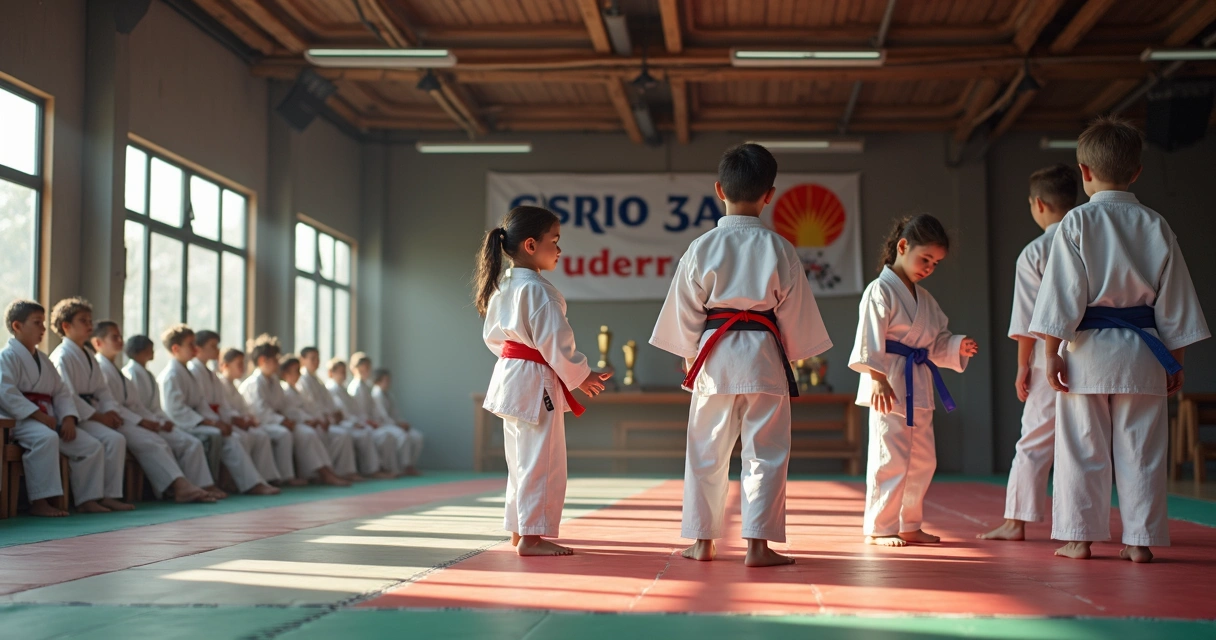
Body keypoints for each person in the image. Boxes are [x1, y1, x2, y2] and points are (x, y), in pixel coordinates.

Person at [1029, 116, 1209, 563]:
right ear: (1137, 172)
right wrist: (1176, 360)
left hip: (1087, 355)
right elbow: (1176, 304)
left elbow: (1061, 294)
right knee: (1143, 450)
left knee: (1081, 448)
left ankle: (1079, 538)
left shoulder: (1076, 223)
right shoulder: (1155, 225)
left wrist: (1050, 352)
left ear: (1084, 173)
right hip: (1144, 354)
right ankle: (1139, 541)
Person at [651, 143, 831, 567]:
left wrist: (688, 352)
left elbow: (685, 309)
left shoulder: (701, 247)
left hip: (714, 356)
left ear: (719, 189)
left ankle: (702, 542)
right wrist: (795, 353)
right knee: (766, 452)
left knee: (705, 450)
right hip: (764, 357)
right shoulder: (781, 248)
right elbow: (795, 314)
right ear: (770, 194)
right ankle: (758, 546)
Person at [475, 205, 610, 556]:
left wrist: (526, 361)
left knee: (520, 461)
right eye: (555, 240)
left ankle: (520, 531)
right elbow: (556, 346)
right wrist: (582, 375)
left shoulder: (503, 286)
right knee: (542, 461)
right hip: (535, 381)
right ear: (531, 245)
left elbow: (495, 340)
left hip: (510, 375)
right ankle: (533, 538)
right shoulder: (540, 291)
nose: (560, 249)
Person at [849, 215, 978, 547]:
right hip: (889, 381)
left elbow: (934, 342)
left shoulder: (926, 300)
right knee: (889, 456)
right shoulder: (880, 290)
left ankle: (909, 523)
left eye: (935, 263)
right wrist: (876, 377)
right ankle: (880, 526)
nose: (929, 268)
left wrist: (954, 345)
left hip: (918, 383)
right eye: (925, 259)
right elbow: (869, 338)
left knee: (922, 460)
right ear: (903, 246)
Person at [980, 164, 1077, 541]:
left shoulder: (1036, 251)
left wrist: (1023, 366)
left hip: (1045, 355)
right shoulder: (1092, 242)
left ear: (1038, 204)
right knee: (1088, 441)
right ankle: (1080, 529)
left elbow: (1027, 319)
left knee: (1035, 438)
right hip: (1096, 348)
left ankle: (1015, 522)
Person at [90, 321, 216, 502]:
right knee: (154, 442)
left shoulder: (120, 371)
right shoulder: (108, 369)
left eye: (120, 336)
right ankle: (179, 487)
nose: (120, 340)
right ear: (98, 343)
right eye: (114, 337)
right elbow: (113, 405)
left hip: (134, 419)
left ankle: (186, 486)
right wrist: (142, 421)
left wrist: (159, 421)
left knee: (182, 441)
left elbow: (138, 405)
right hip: (118, 421)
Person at [0, 299, 106, 515]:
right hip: (19, 421)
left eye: (43, 323)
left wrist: (68, 417)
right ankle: (40, 502)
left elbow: (61, 391)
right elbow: (6, 393)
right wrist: (38, 415)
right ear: (17, 326)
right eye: (37, 323)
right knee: (45, 438)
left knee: (91, 446)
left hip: (48, 419)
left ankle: (87, 499)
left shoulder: (43, 360)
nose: (43, 329)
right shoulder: (6, 357)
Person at [158, 324, 279, 496]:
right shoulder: (173, 374)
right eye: (191, 344)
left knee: (235, 436)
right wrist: (211, 422)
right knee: (227, 437)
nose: (195, 348)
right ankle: (212, 484)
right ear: (176, 348)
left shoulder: (200, 373)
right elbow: (176, 409)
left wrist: (219, 421)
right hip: (185, 423)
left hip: (200, 420)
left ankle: (248, 482)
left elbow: (203, 404)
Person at [47, 298, 136, 512]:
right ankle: (87, 499)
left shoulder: (88, 355)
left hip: (89, 413)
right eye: (83, 321)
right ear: (66, 326)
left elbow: (102, 390)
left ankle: (109, 495)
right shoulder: (62, 356)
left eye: (89, 320)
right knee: (97, 444)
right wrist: (98, 416)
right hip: (71, 416)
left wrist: (110, 410)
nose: (89, 325)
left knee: (116, 439)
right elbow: (66, 394)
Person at [240, 336, 350, 487]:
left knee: (307, 431)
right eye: (275, 359)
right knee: (292, 434)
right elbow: (260, 412)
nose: (278, 363)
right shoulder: (254, 384)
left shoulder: (275, 383)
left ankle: (325, 472)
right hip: (265, 423)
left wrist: (298, 419)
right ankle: (289, 476)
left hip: (280, 422)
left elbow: (287, 407)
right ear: (262, 361)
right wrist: (282, 421)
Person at [299, 348, 390, 479]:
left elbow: (333, 407)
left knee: (354, 434)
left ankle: (354, 470)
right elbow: (311, 406)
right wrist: (326, 419)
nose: (316, 362)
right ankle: (334, 472)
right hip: (317, 421)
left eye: (317, 358)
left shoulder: (318, 381)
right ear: (303, 360)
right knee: (344, 435)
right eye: (312, 358)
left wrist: (333, 416)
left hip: (329, 421)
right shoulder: (304, 380)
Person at [327, 358, 399, 476]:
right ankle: (371, 470)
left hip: (358, 422)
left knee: (384, 435)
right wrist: (359, 423)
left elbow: (359, 411)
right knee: (366, 435)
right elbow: (344, 413)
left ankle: (385, 467)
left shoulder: (349, 389)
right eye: (340, 372)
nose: (343, 375)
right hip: (347, 424)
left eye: (344, 372)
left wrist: (370, 422)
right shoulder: (337, 388)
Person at [349, 352, 414, 476]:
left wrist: (376, 421)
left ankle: (392, 468)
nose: (366, 370)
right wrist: (369, 422)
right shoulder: (355, 388)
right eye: (364, 367)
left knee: (388, 436)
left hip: (373, 423)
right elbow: (358, 412)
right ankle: (375, 469)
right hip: (363, 424)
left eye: (368, 367)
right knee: (385, 436)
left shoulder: (367, 387)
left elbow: (375, 411)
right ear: (355, 369)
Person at [372, 368, 424, 473]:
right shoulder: (376, 394)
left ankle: (410, 464)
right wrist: (398, 425)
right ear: (378, 380)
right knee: (403, 436)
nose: (388, 382)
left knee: (417, 437)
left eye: (389, 379)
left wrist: (402, 422)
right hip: (384, 425)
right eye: (385, 380)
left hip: (394, 424)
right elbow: (384, 417)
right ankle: (403, 466)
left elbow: (396, 414)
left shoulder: (389, 395)